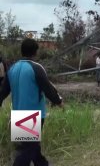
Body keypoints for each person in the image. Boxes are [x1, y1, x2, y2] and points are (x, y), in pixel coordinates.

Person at [0, 38, 63, 166]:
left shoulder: (12, 69)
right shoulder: (36, 68)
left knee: (31, 146)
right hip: (33, 113)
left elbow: (3, 91)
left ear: (22, 51)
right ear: (35, 52)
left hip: (18, 112)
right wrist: (58, 101)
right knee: (27, 150)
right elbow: (48, 88)